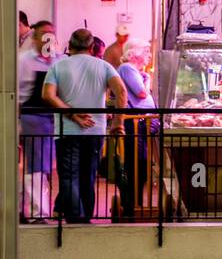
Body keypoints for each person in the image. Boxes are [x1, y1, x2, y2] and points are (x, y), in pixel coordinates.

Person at [42, 28, 128, 223]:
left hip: (66, 132)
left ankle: (75, 219)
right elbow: (121, 92)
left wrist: (71, 113)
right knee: (88, 176)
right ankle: (85, 218)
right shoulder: (104, 66)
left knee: (69, 176)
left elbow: (48, 95)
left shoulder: (58, 66)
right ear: (91, 47)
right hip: (95, 131)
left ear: (70, 46)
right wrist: (118, 123)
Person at [18, 20, 61, 222]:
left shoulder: (58, 60)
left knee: (42, 167)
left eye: (51, 34)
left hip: (51, 119)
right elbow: (16, 93)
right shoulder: (24, 61)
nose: (47, 38)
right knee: (35, 167)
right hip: (32, 117)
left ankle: (26, 208)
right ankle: (38, 213)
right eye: (44, 34)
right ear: (34, 38)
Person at [115, 39, 157, 219]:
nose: (148, 55)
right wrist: (146, 81)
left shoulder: (135, 71)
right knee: (137, 163)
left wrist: (146, 78)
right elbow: (141, 93)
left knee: (141, 164)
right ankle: (132, 205)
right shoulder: (127, 68)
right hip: (137, 123)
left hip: (143, 123)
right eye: (145, 51)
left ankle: (135, 203)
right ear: (133, 54)